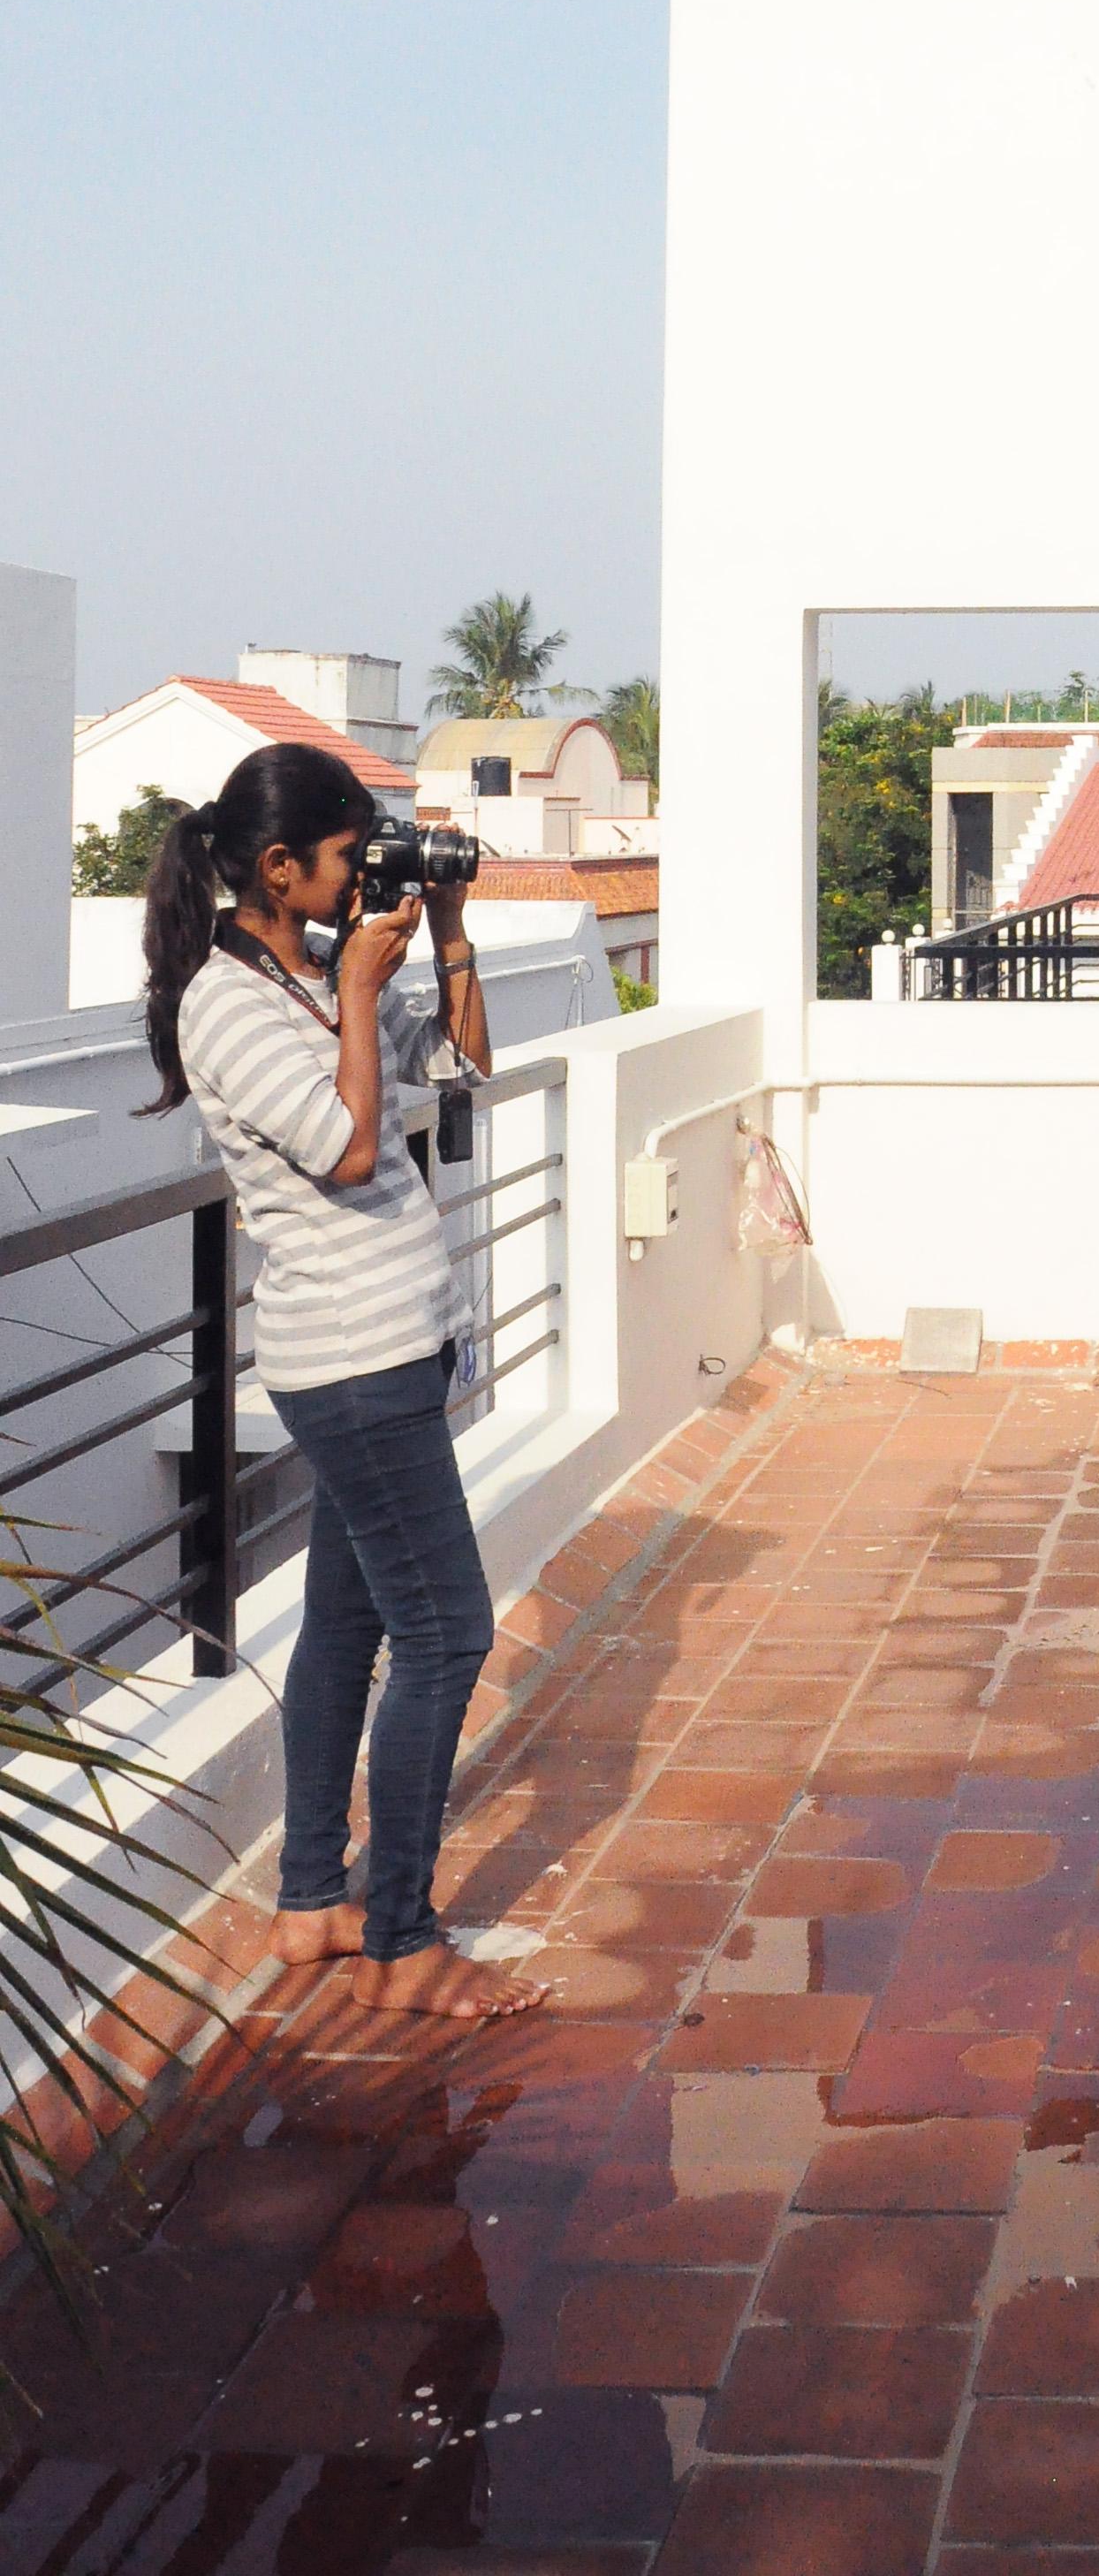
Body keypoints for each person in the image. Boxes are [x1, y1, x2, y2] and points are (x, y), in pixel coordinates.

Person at [140, 742, 547, 2023]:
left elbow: (463, 1067)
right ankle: (403, 1941)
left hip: (395, 1345)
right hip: (352, 1363)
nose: (362, 870)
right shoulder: (227, 1004)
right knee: (449, 1633)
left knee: (348, 1624)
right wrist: (362, 993)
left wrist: (447, 932)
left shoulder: (311, 971)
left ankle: (312, 1900)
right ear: (276, 867)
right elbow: (349, 1148)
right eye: (344, 853)